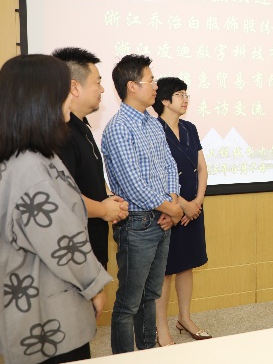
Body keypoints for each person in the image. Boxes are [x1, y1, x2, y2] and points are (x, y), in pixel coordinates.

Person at [0, 55, 112, 364]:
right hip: (47, 311)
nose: (70, 97)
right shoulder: (29, 165)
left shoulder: (36, 155)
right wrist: (94, 284)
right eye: (63, 90)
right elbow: (61, 240)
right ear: (42, 99)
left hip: (50, 297)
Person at [101, 54, 184, 354]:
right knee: (129, 303)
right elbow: (133, 184)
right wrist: (171, 209)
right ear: (132, 86)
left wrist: (172, 202)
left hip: (162, 219)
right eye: (151, 81)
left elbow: (170, 167)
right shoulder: (119, 127)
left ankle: (149, 353)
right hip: (137, 224)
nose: (156, 86)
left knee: (151, 295)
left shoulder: (152, 124)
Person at [52, 47, 129, 268]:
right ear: (75, 87)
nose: (102, 89)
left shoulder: (82, 126)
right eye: (97, 82)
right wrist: (104, 210)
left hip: (91, 245)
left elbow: (87, 176)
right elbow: (62, 196)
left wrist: (109, 199)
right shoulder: (61, 133)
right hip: (72, 251)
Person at [152, 77, 211, 345]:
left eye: (186, 94)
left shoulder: (190, 128)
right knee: (165, 271)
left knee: (187, 265)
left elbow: (202, 167)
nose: (185, 99)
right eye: (179, 94)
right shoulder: (154, 130)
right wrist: (183, 205)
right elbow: (156, 175)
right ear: (165, 100)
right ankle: (160, 327)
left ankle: (184, 318)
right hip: (169, 210)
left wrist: (197, 201)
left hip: (193, 209)